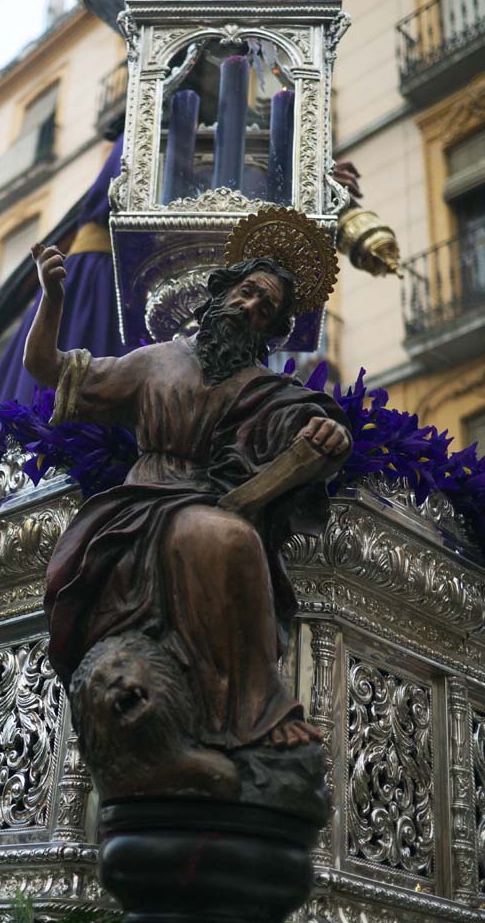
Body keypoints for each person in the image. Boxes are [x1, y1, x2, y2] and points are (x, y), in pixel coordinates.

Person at [24, 241, 352, 753]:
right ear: (220, 294)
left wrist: (332, 438)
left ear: (271, 330)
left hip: (214, 500)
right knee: (223, 535)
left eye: (265, 309)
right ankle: (249, 711)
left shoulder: (269, 390)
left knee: (228, 534)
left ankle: (254, 709)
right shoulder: (156, 361)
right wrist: (51, 298)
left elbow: (311, 428)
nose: (250, 309)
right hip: (140, 504)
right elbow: (48, 367)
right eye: (246, 293)